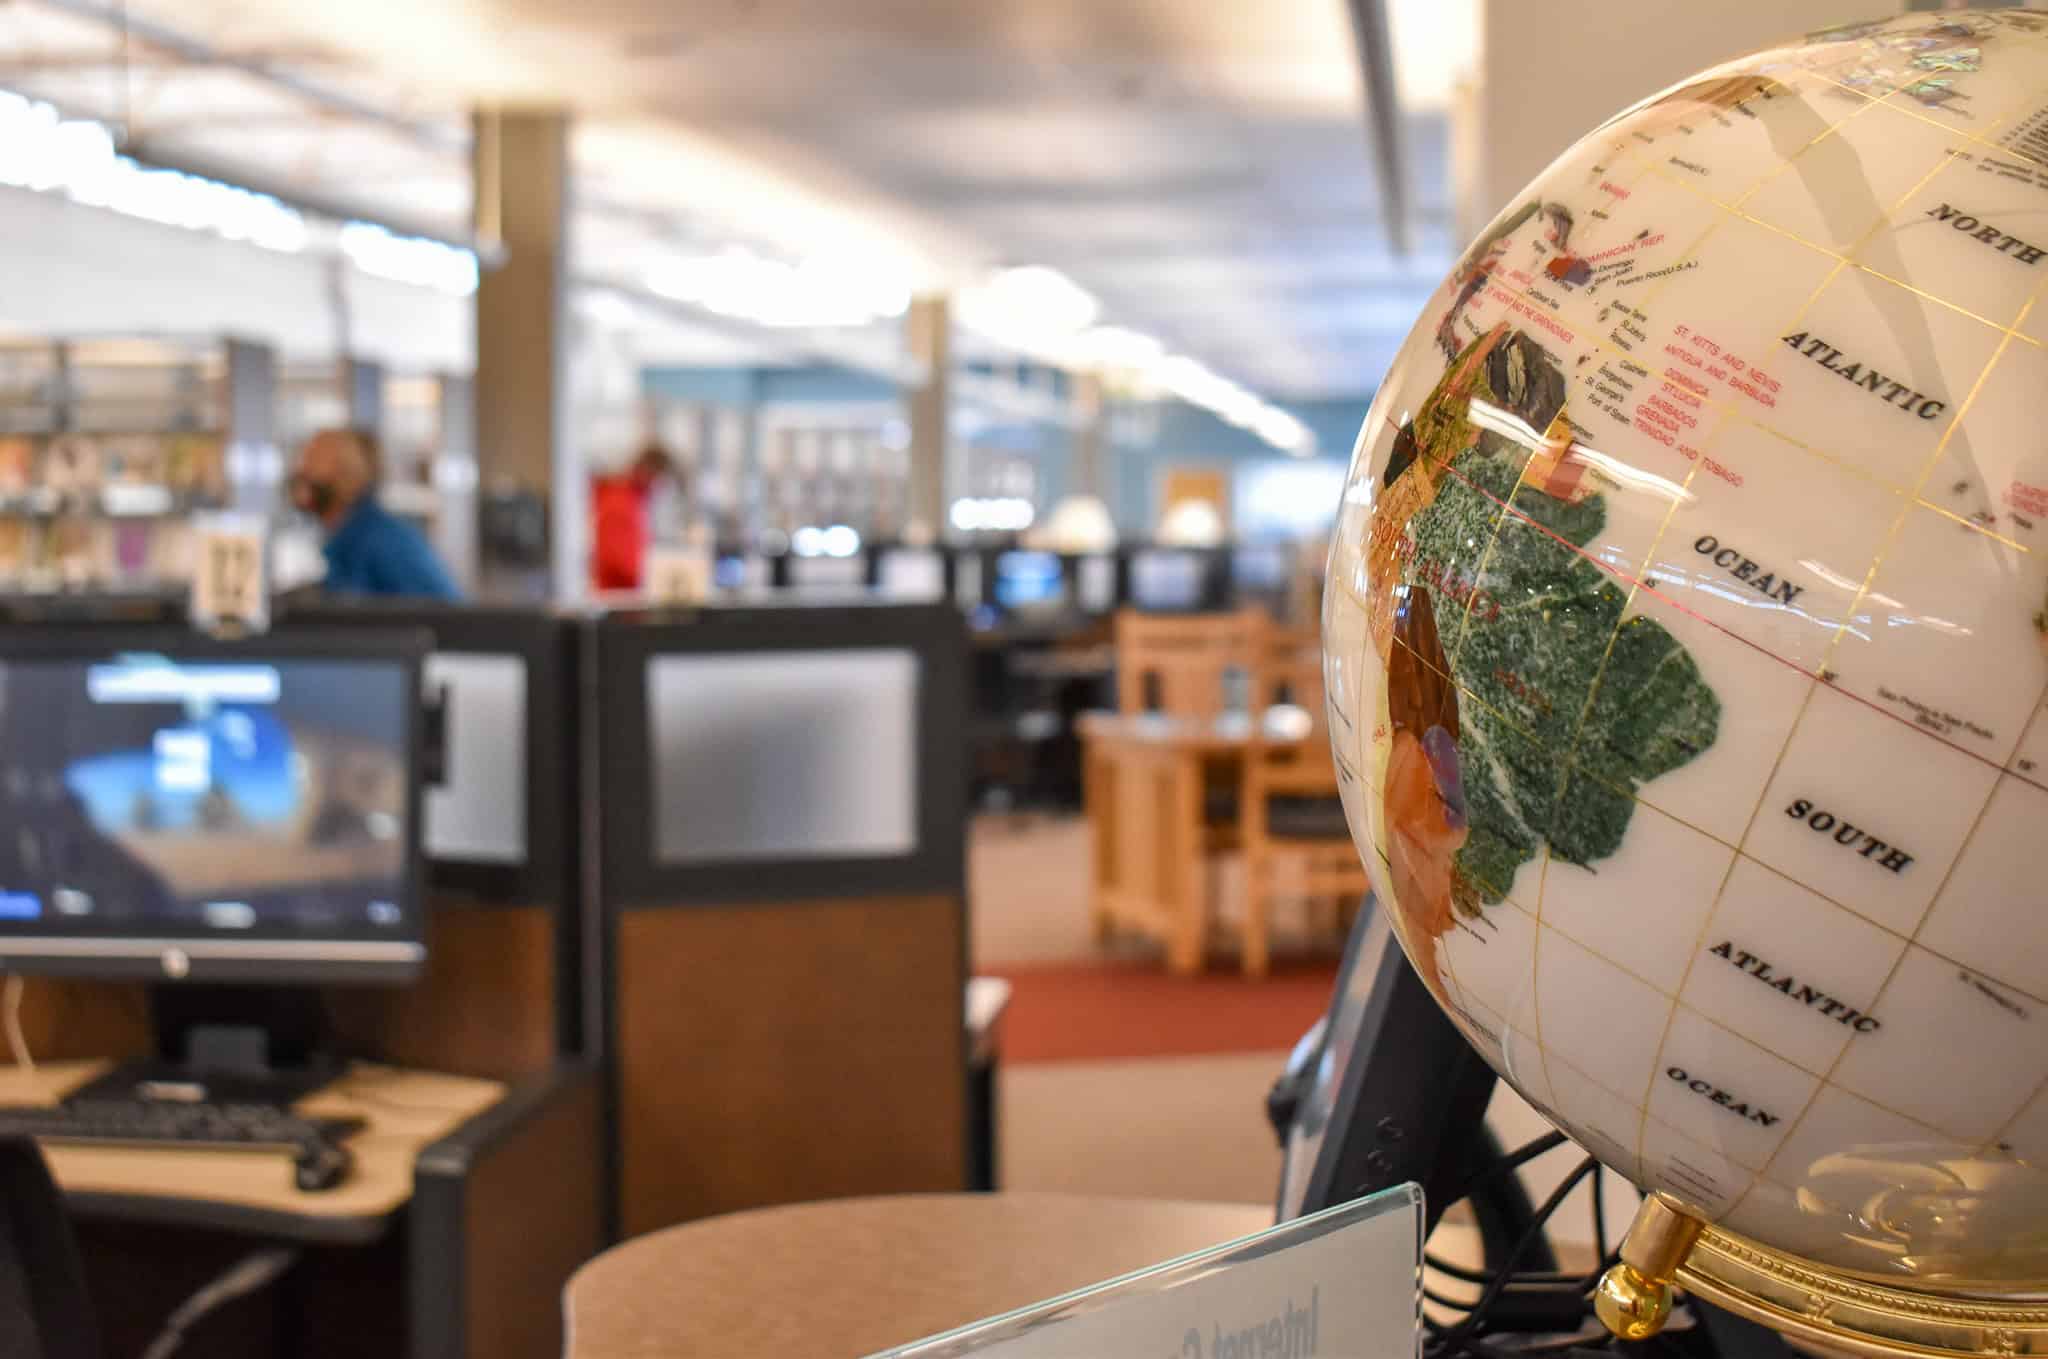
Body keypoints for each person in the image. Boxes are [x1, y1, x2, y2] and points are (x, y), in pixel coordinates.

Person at [289, 428, 460, 600]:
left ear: (347, 475)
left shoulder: (379, 539)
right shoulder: (345, 536)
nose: (302, 470)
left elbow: (446, 613)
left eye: (314, 460)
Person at [590, 442, 679, 593]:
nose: (661, 489)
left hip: (625, 596)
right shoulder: (620, 502)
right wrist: (658, 580)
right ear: (649, 472)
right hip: (619, 599)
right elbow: (620, 562)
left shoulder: (635, 501)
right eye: (661, 480)